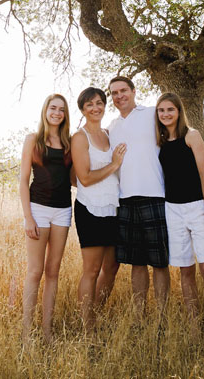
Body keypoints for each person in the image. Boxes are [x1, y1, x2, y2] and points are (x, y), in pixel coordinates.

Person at [155, 92, 204, 334]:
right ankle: (195, 327)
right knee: (186, 270)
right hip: (172, 210)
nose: (165, 114)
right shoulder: (160, 143)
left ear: (178, 111)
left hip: (197, 208)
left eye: (170, 109)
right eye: (161, 110)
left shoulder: (191, 136)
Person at [107, 76, 171, 316]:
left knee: (160, 262)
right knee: (137, 262)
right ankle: (139, 316)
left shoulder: (152, 113)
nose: (119, 96)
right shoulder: (111, 127)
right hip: (125, 199)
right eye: (114, 93)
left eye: (123, 90)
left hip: (155, 195)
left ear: (133, 91)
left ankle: (163, 317)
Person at [70, 87, 126, 333]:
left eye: (99, 103)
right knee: (91, 270)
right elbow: (84, 177)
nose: (96, 108)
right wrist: (114, 164)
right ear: (82, 109)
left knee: (112, 267)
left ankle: (96, 312)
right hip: (90, 209)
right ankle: (88, 327)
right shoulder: (80, 137)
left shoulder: (108, 133)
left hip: (113, 208)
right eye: (90, 104)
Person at [19, 93, 73, 345]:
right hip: (38, 208)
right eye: (53, 108)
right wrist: (28, 217)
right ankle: (26, 333)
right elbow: (22, 180)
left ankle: (47, 332)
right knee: (35, 271)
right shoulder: (33, 140)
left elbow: (73, 177)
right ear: (45, 110)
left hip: (63, 210)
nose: (57, 113)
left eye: (61, 109)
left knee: (53, 272)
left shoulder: (69, 143)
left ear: (65, 114)